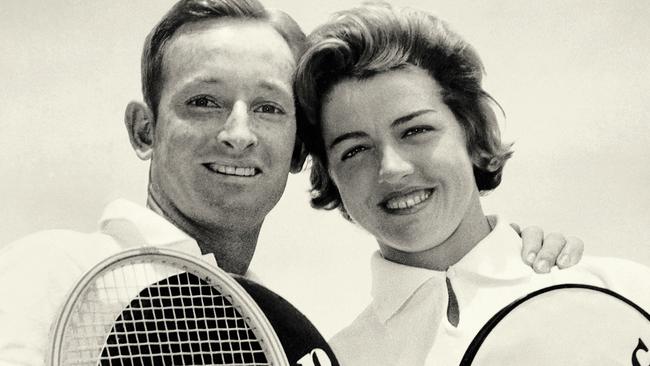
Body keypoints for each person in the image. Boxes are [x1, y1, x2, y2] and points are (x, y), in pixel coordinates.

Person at [0, 1, 582, 365]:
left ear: (300, 150)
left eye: (270, 108)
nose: (238, 133)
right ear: (144, 128)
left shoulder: (295, 339)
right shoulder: (53, 271)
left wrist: (546, 279)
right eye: (203, 101)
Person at [294, 2, 650, 365]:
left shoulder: (623, 291)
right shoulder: (336, 360)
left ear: (472, 133)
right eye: (355, 150)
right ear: (331, 177)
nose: (392, 168)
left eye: (415, 130)